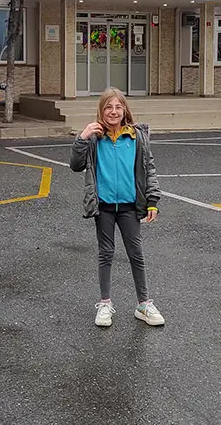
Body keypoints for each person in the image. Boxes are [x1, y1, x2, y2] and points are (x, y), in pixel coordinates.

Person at [69, 87, 164, 328]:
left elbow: (148, 169)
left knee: (136, 253)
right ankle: (104, 304)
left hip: (130, 206)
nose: (113, 111)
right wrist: (82, 137)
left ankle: (144, 304)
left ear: (125, 110)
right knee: (106, 253)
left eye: (118, 107)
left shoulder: (136, 137)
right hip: (105, 206)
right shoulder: (94, 138)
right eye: (108, 107)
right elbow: (75, 164)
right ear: (101, 111)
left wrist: (152, 201)